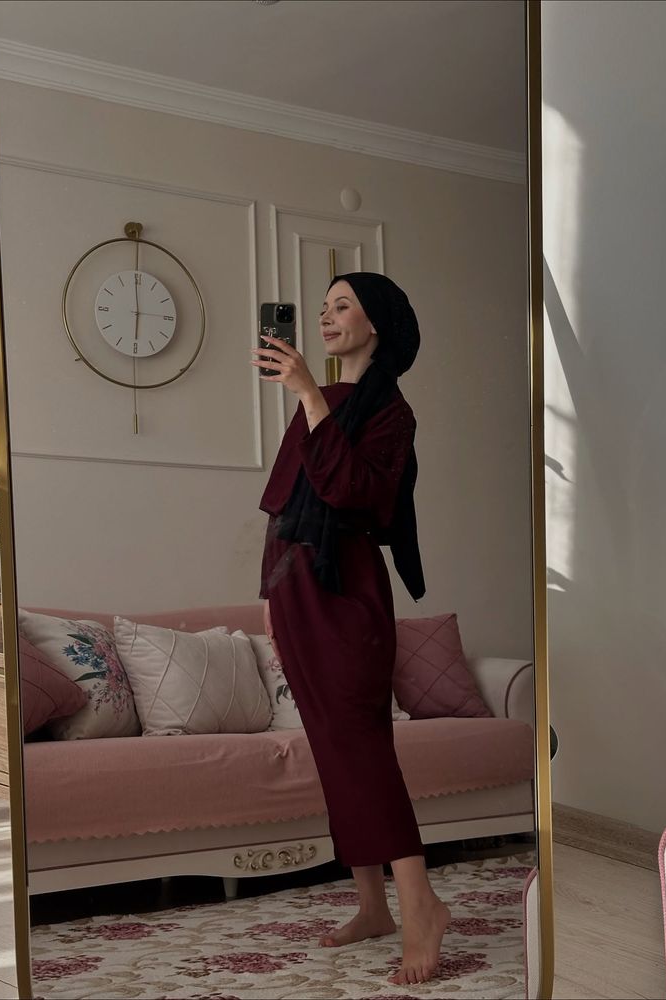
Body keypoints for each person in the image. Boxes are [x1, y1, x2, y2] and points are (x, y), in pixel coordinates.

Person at [251, 272, 450, 986]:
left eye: (343, 308)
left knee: (362, 747)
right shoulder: (327, 401)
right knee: (334, 749)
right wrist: (274, 602)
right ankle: (374, 906)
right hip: (297, 591)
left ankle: (420, 903)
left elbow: (355, 493)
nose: (328, 318)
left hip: (347, 594)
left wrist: (308, 394)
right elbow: (285, 507)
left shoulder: (391, 414)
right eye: (326, 307)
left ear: (377, 326)